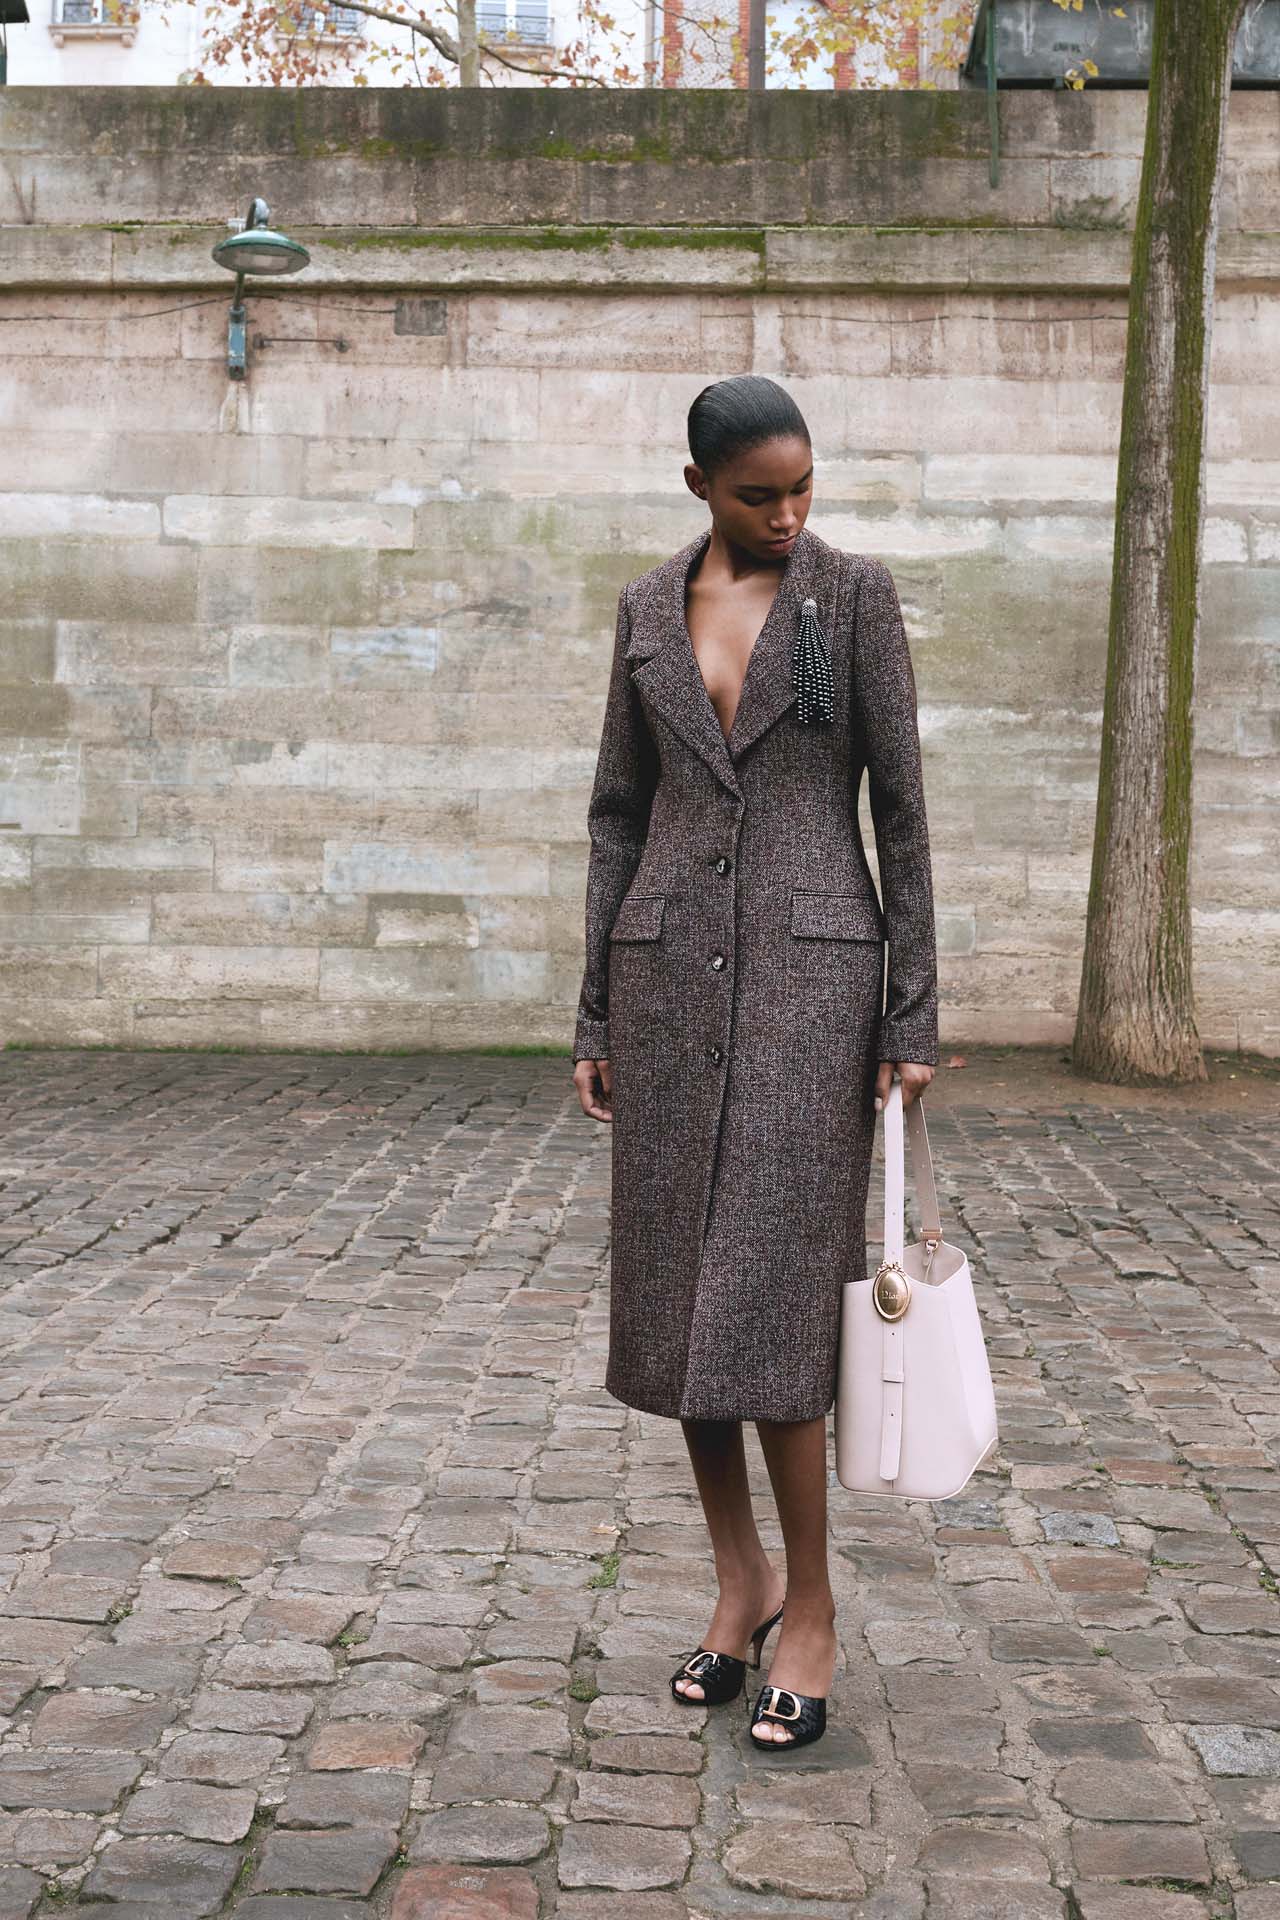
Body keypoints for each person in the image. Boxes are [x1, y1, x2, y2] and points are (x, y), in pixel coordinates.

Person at [571, 374, 938, 1753]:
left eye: (803, 489)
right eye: (758, 495)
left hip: (811, 989)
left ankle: (815, 1607)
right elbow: (618, 814)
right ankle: (742, 1582)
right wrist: (596, 1009)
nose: (788, 515)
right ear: (699, 489)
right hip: (666, 982)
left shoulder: (855, 598)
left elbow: (903, 813)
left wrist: (910, 1016)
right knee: (682, 1304)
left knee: (777, 1306)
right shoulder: (645, 610)